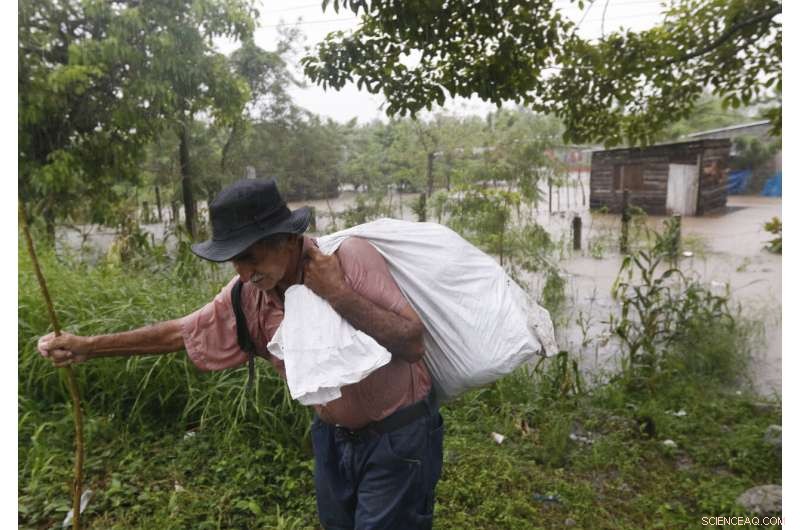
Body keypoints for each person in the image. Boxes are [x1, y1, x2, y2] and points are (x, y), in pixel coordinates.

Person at [37, 178, 444, 530]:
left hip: (398, 437)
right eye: (234, 260)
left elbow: (411, 342)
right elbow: (180, 332)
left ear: (287, 240)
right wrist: (87, 347)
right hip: (332, 439)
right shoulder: (248, 295)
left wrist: (338, 294)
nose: (244, 272)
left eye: (251, 256)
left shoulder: (348, 259)